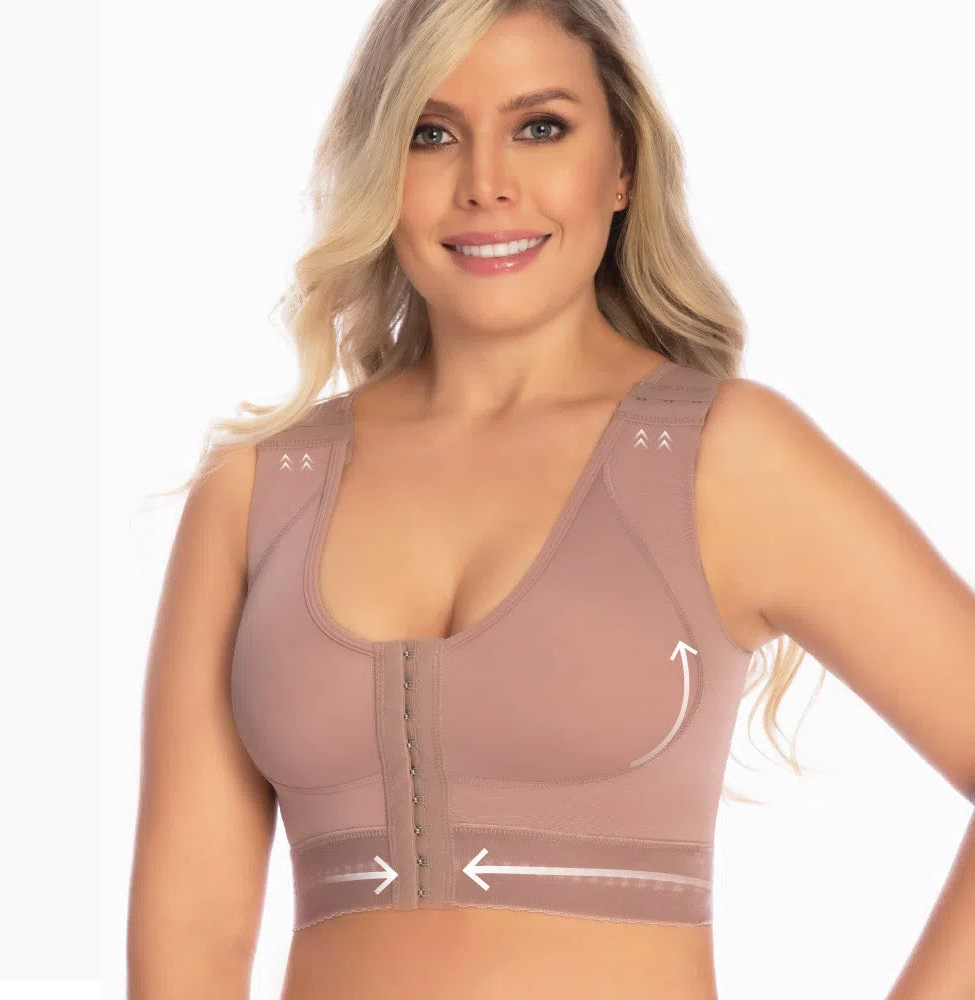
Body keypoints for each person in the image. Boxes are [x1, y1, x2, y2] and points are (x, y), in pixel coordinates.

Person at [126, 1, 975, 997]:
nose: (486, 183)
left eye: (540, 127)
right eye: (431, 133)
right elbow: (191, 934)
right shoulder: (259, 489)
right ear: (377, 168)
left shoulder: (725, 458)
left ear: (621, 166)